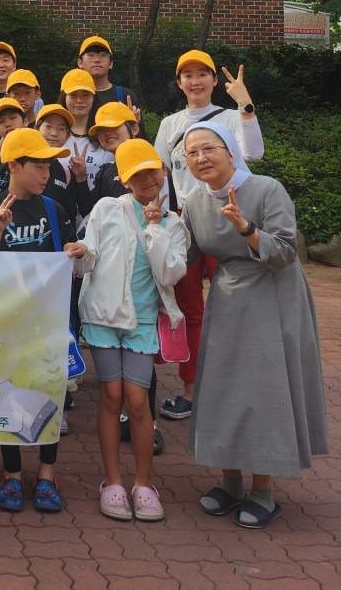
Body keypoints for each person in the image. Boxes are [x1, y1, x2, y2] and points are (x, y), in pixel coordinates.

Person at [181, 121, 327, 530]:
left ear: (230, 152)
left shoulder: (267, 189)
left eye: (209, 149)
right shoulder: (194, 202)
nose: (201, 158)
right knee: (224, 385)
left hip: (273, 294)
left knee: (265, 389)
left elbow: (284, 251)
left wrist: (246, 227)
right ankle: (230, 482)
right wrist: (156, 229)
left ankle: (263, 491)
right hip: (228, 295)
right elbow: (184, 256)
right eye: (192, 153)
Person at [70, 140, 187, 522]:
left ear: (163, 171)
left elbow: (169, 273)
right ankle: (113, 482)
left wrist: (154, 229)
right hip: (102, 318)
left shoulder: (174, 224)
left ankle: (144, 484)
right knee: (111, 397)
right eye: (137, 174)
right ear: (124, 179)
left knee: (138, 403)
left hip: (142, 322)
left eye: (152, 170)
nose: (147, 179)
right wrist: (80, 252)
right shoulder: (107, 208)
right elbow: (89, 255)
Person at [154, 51, 264, 421]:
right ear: (179, 82)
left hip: (228, 216)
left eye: (203, 73)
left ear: (215, 80)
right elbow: (159, 175)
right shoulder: (170, 124)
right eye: (187, 75)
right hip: (186, 222)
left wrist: (245, 103)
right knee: (190, 310)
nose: (195, 81)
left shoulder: (232, 116)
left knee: (233, 305)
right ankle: (191, 392)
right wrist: (160, 218)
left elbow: (255, 153)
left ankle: (236, 390)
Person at [0, 128, 76, 514]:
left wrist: (78, 251)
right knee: (8, 395)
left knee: (50, 394)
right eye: (38, 165)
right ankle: (13, 475)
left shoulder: (54, 209)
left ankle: (47, 475)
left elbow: (70, 261)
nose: (46, 173)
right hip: (8, 325)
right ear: (14, 166)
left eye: (49, 166)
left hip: (47, 322)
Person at [77, 36, 143, 129]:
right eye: (90, 55)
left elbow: (140, 136)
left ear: (111, 63)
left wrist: (133, 126)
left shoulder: (125, 96)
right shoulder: (72, 96)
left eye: (103, 55)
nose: (97, 60)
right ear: (80, 63)